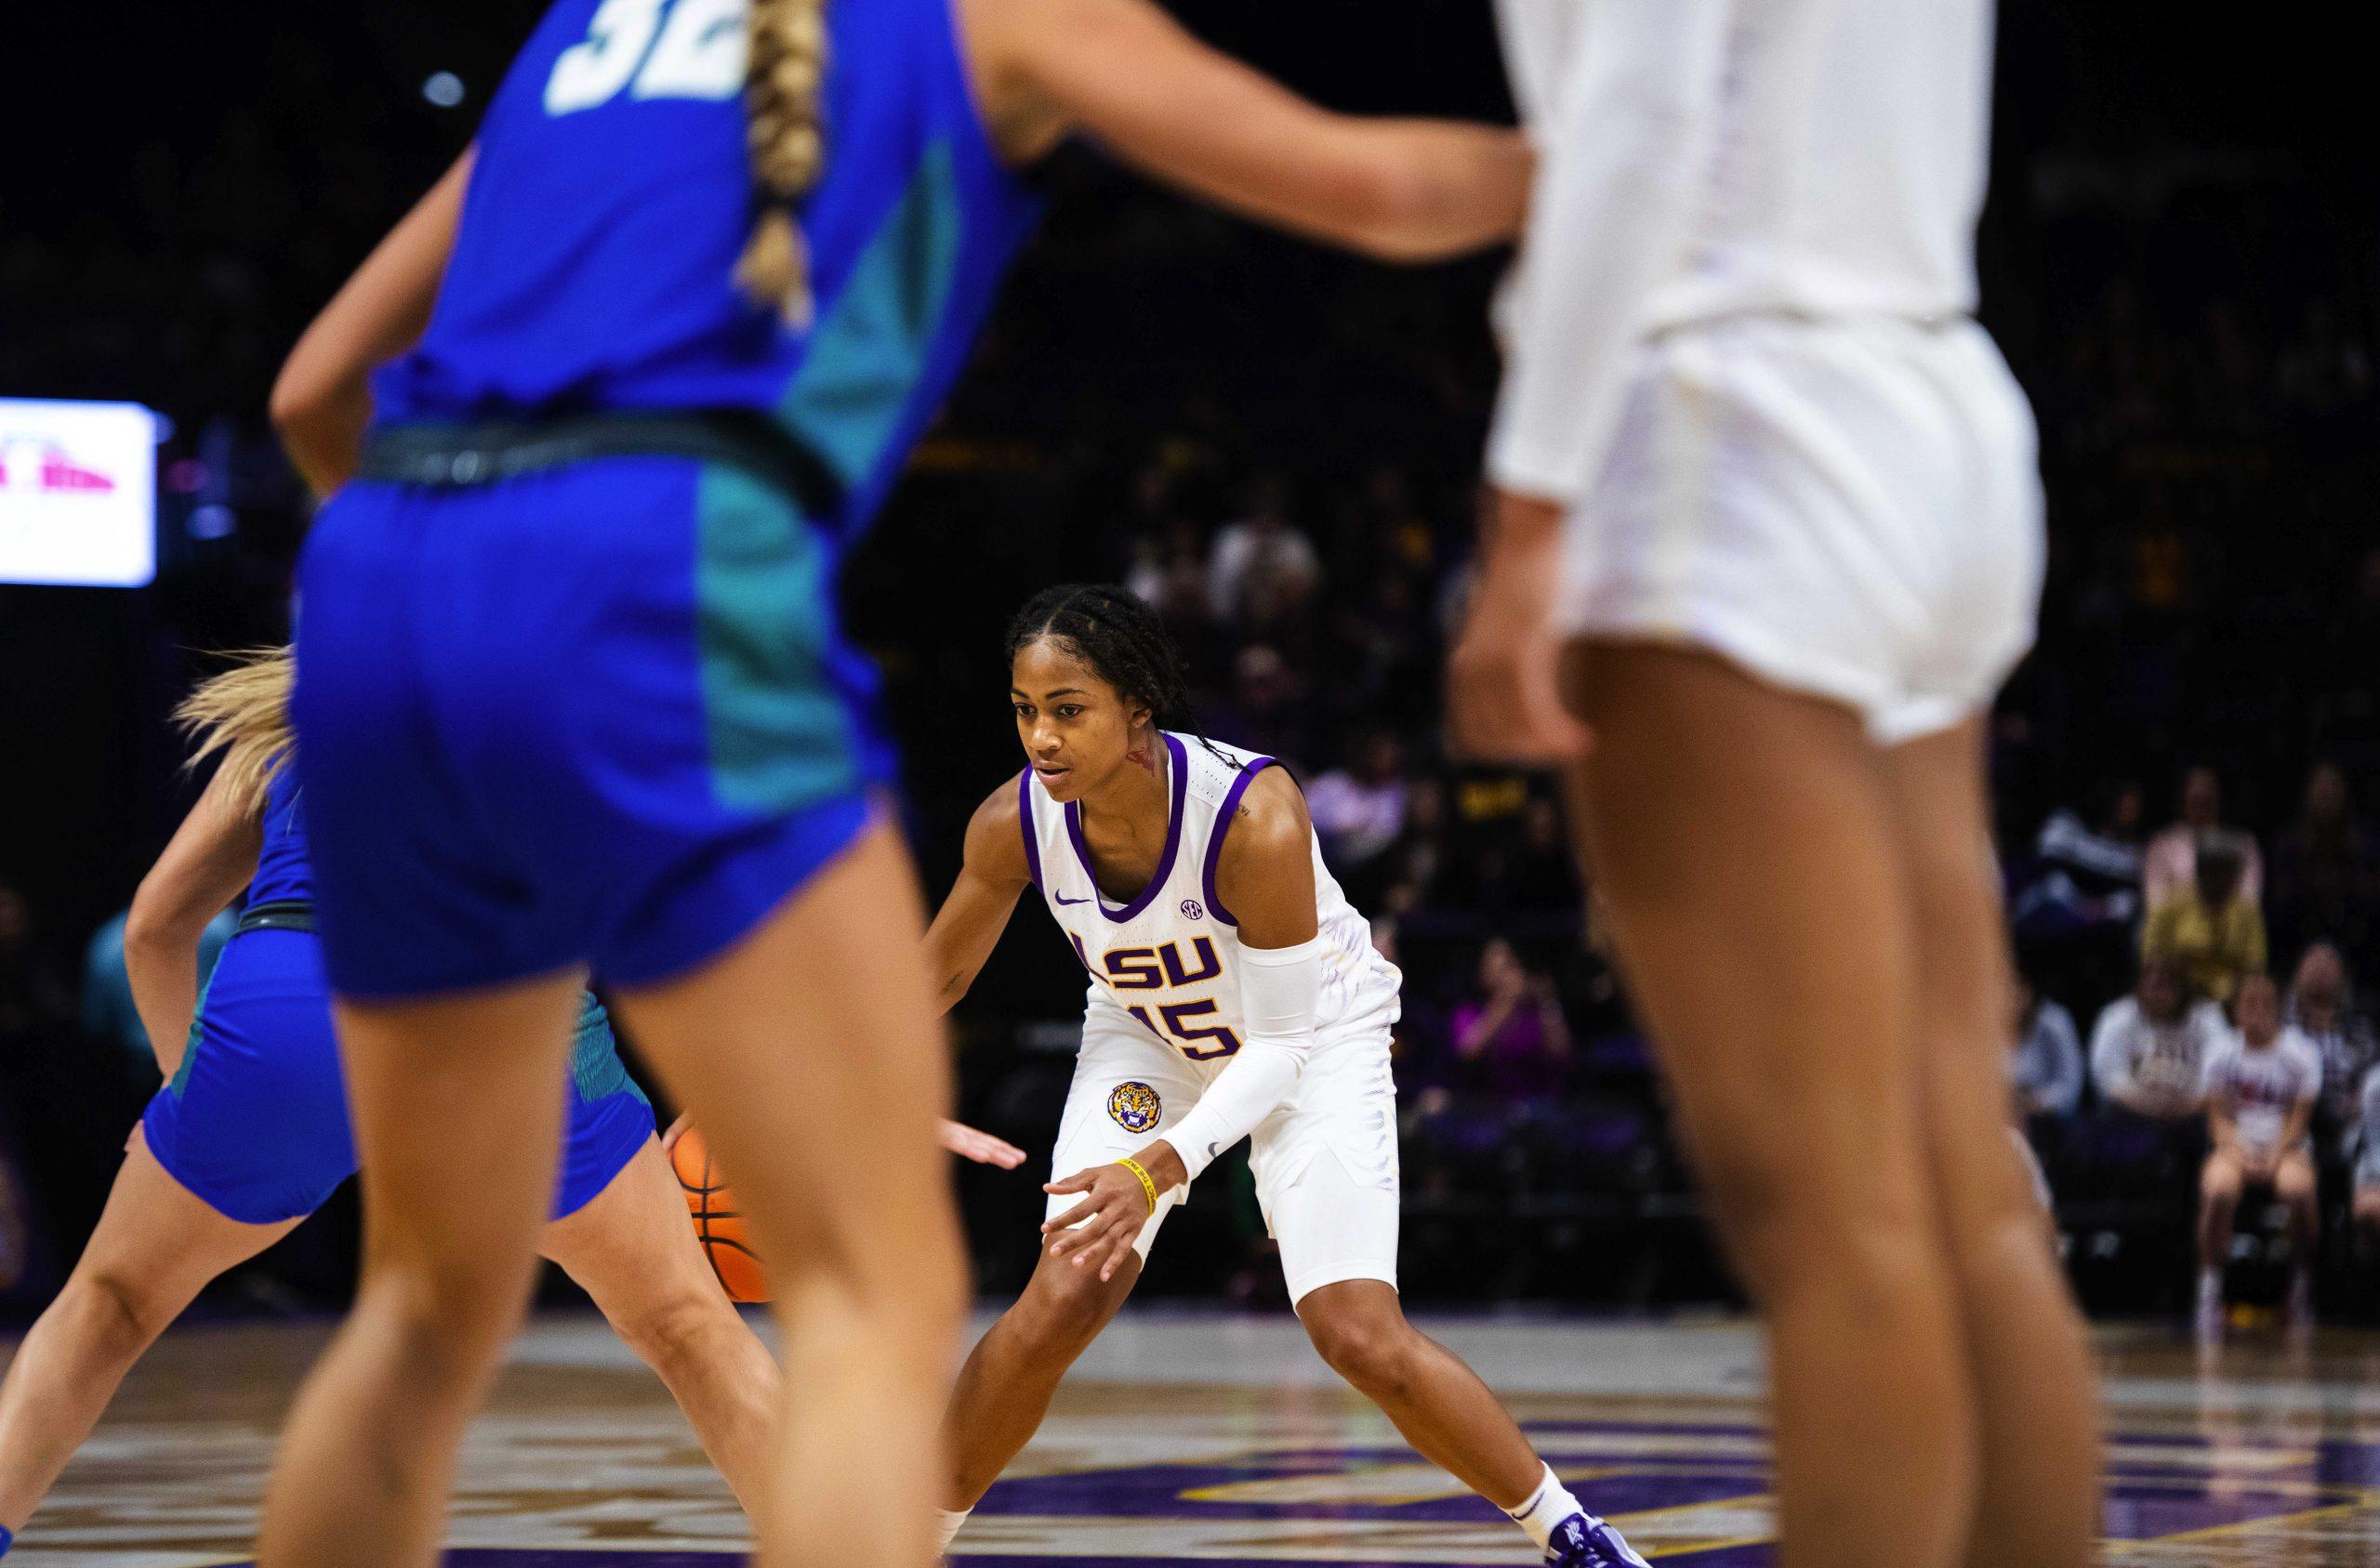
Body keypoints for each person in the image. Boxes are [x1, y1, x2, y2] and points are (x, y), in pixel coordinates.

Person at [257, 1, 1530, 1560]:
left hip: (382, 592)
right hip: (657, 566)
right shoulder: (995, 16)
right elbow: (1383, 191)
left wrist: (461, 631)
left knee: (422, 1304)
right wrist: (1623, 181)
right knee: (872, 1293)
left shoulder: (583, 31)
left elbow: (312, 397)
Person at [1451, 2, 2098, 1562]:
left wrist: (1527, 517)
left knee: (1838, 1220)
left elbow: (1647, 115)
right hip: (1928, 389)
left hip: (1723, 410)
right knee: (1962, 1186)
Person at [919, 586, 1646, 1568]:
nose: (1040, 737)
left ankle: (1572, 1534)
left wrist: (1152, 1172)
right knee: (1061, 1296)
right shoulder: (1014, 821)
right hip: (1149, 1035)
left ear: (1136, 707)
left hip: (1311, 1039)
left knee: (1355, 1334)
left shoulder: (1250, 815)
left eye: (1066, 708)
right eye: (1023, 708)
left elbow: (1275, 1047)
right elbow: (943, 972)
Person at [2194, 974, 2321, 1338]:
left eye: (2264, 1005)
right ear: (2236, 1009)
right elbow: (2216, 1117)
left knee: (2298, 1192)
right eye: (2248, 1004)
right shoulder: (2220, 1051)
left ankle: (2299, 1285)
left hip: (2286, 1146)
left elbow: (2299, 1119)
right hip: (2234, 1144)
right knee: (2218, 1190)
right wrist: (2237, 1151)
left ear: (2276, 1009)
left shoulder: (2301, 1053)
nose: (2256, 1012)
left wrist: (2274, 1155)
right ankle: (2209, 1287)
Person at [2140, 834, 2268, 1006]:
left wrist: (2234, 997)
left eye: (2228, 874)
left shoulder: (2247, 911)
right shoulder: (2171, 903)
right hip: (2176, 998)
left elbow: (2255, 965)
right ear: (2201, 871)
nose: (2222, 881)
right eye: (2215, 873)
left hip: (2229, 1002)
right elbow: (2151, 957)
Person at [2143, 765, 2262, 910]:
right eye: (2195, 800)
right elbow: (2156, 903)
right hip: (2177, 930)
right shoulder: (2161, 844)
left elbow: (2249, 902)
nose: (2201, 810)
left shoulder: (2244, 845)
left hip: (2228, 929)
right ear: (2184, 799)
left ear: (2219, 800)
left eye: (2207, 801)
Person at [2011, 976, 2084, 1121]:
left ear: (2028, 991)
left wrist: (2036, 1101)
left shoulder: (2054, 1022)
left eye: (2015, 993)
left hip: (2050, 1121)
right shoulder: (1989, 1022)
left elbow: (2070, 1089)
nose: (2010, 1000)